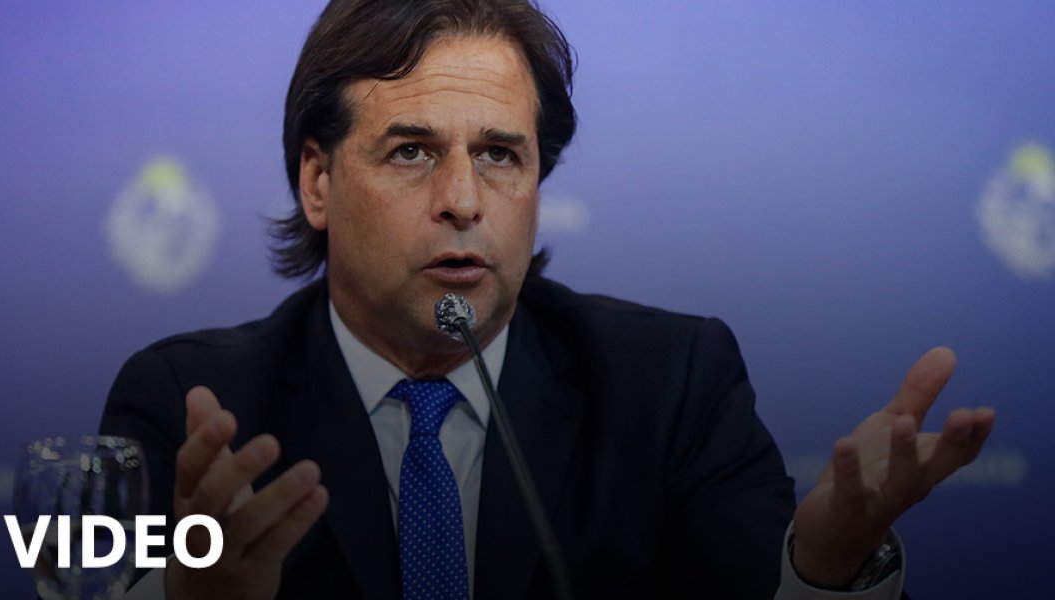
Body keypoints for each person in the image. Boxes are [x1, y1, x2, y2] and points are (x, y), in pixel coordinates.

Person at [101, 1, 996, 598]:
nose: (463, 200)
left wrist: (826, 571)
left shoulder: (671, 385)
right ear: (318, 181)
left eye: (499, 154)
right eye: (412, 152)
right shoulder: (185, 406)